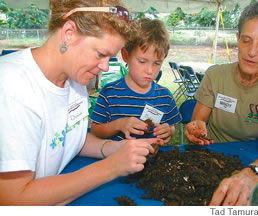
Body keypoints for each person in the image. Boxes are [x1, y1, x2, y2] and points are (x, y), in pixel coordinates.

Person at [0, 0, 161, 205]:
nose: (104, 67)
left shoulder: (75, 79)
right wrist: (110, 168)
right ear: (69, 33)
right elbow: (12, 200)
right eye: (101, 54)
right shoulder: (12, 90)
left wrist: (116, 148)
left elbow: (71, 138)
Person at [185, 0, 258, 206]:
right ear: (237, 39)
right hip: (210, 164)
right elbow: (198, 121)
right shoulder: (215, 75)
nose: (252, 51)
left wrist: (253, 174)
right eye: (246, 40)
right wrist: (196, 127)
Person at [91, 18, 182, 144]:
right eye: (142, 61)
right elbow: (95, 130)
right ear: (126, 55)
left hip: (155, 160)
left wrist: (169, 130)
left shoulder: (165, 97)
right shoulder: (109, 94)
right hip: (118, 160)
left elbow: (172, 126)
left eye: (157, 63)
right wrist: (118, 124)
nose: (150, 70)